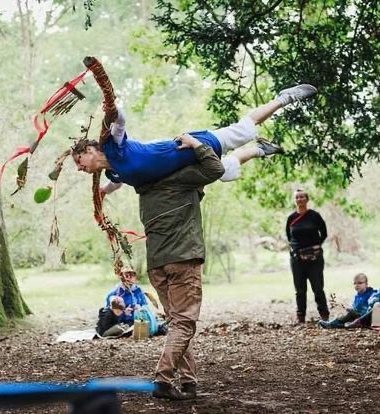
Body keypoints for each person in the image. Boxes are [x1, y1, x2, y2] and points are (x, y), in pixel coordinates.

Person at [72, 84, 317, 192]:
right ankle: (260, 150)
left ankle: (284, 98)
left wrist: (112, 109)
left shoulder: (111, 145)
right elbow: (119, 181)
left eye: (79, 160)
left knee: (244, 130)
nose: (79, 168)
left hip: (191, 147)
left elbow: (120, 121)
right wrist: (105, 191)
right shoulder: (111, 172)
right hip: (185, 172)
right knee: (227, 173)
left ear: (91, 150)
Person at [132, 134, 225, 400]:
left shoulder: (145, 188)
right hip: (183, 261)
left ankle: (189, 381)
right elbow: (215, 168)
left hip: (157, 265)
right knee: (184, 324)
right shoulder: (180, 181)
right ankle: (162, 381)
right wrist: (196, 145)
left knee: (177, 324)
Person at [286, 189, 330, 323]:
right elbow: (289, 236)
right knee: (299, 289)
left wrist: (315, 246)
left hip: (314, 258)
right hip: (297, 258)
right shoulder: (291, 218)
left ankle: (324, 315)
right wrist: (297, 249)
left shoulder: (314, 216)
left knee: (317, 288)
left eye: (302, 197)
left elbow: (324, 232)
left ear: (307, 199)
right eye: (297, 197)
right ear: (295, 200)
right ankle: (301, 317)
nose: (300, 199)